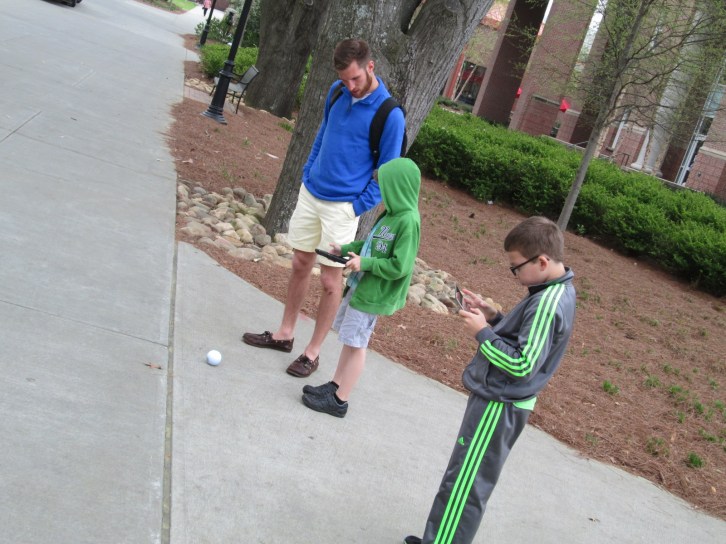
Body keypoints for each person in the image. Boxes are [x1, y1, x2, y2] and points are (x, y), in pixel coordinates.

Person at [404, 216, 577, 544]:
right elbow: (526, 337)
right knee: (462, 476)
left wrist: (482, 333)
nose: (514, 275)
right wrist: (494, 317)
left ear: (542, 261)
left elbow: (522, 364)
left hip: (501, 403)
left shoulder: (548, 302)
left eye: (516, 267)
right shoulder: (549, 289)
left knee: (465, 484)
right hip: (501, 399)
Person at [242, 38, 406, 378]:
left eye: (355, 78)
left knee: (331, 281)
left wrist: (355, 207)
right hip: (311, 193)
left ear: (371, 67)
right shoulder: (336, 91)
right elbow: (322, 135)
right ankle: (285, 334)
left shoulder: (390, 115)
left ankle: (312, 352)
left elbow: (388, 174)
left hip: (342, 208)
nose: (350, 86)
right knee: (300, 263)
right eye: (344, 79)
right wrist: (308, 171)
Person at [301, 157, 421, 418]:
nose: (382, 192)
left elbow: (400, 266)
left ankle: (340, 401)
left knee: (357, 344)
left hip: (373, 294)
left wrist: (365, 263)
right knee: (349, 339)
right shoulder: (390, 215)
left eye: (386, 185)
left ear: (399, 186)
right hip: (361, 287)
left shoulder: (408, 221)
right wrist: (345, 249)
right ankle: (335, 386)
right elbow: (370, 245)